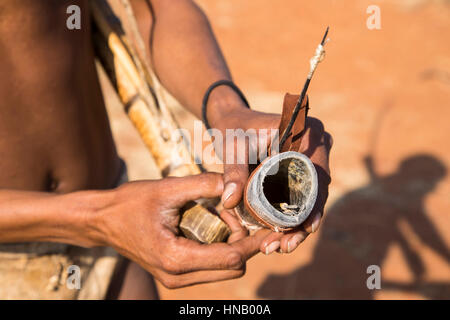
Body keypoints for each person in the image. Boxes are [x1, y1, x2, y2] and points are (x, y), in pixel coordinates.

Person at [0, 0, 332, 299]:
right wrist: (97, 218)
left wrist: (227, 108)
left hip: (115, 233)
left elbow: (159, 8)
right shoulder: (104, 218)